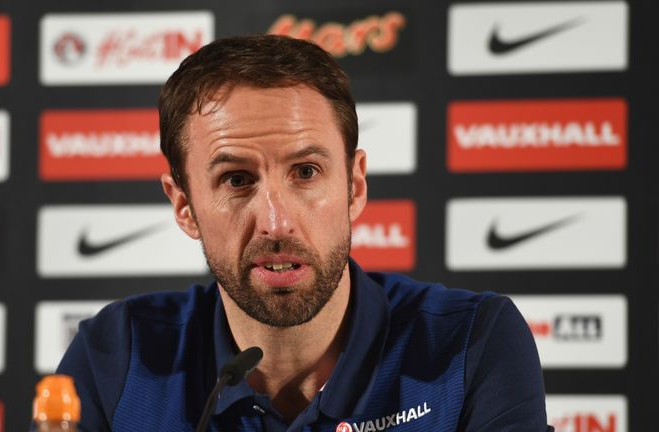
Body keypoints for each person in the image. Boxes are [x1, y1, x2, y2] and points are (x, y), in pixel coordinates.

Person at [56, 34, 552, 431]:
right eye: (236, 179)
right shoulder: (115, 357)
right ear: (184, 205)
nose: (277, 221)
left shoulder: (470, 344)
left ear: (355, 185)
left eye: (306, 172)